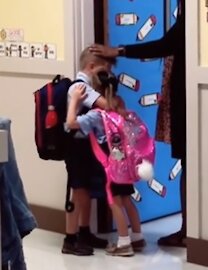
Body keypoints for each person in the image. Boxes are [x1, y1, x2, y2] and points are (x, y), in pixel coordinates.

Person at [89, 0, 187, 247]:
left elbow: (165, 44)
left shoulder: (190, 19)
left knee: (190, 164)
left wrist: (119, 51)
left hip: (186, 100)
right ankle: (157, 234)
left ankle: (183, 231)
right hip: (181, 101)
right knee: (188, 165)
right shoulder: (123, 111)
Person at [66, 72, 146, 257]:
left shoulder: (96, 114)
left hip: (111, 166)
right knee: (127, 199)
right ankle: (137, 237)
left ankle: (124, 243)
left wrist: (75, 100)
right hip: (126, 161)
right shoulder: (120, 105)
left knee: (115, 202)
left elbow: (71, 123)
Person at [61, 48, 113, 256]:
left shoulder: (85, 85)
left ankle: (84, 232)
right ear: (91, 67)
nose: (106, 74)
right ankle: (70, 238)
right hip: (76, 147)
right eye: (103, 70)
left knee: (86, 191)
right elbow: (107, 105)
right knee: (79, 191)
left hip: (83, 145)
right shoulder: (81, 87)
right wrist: (107, 86)